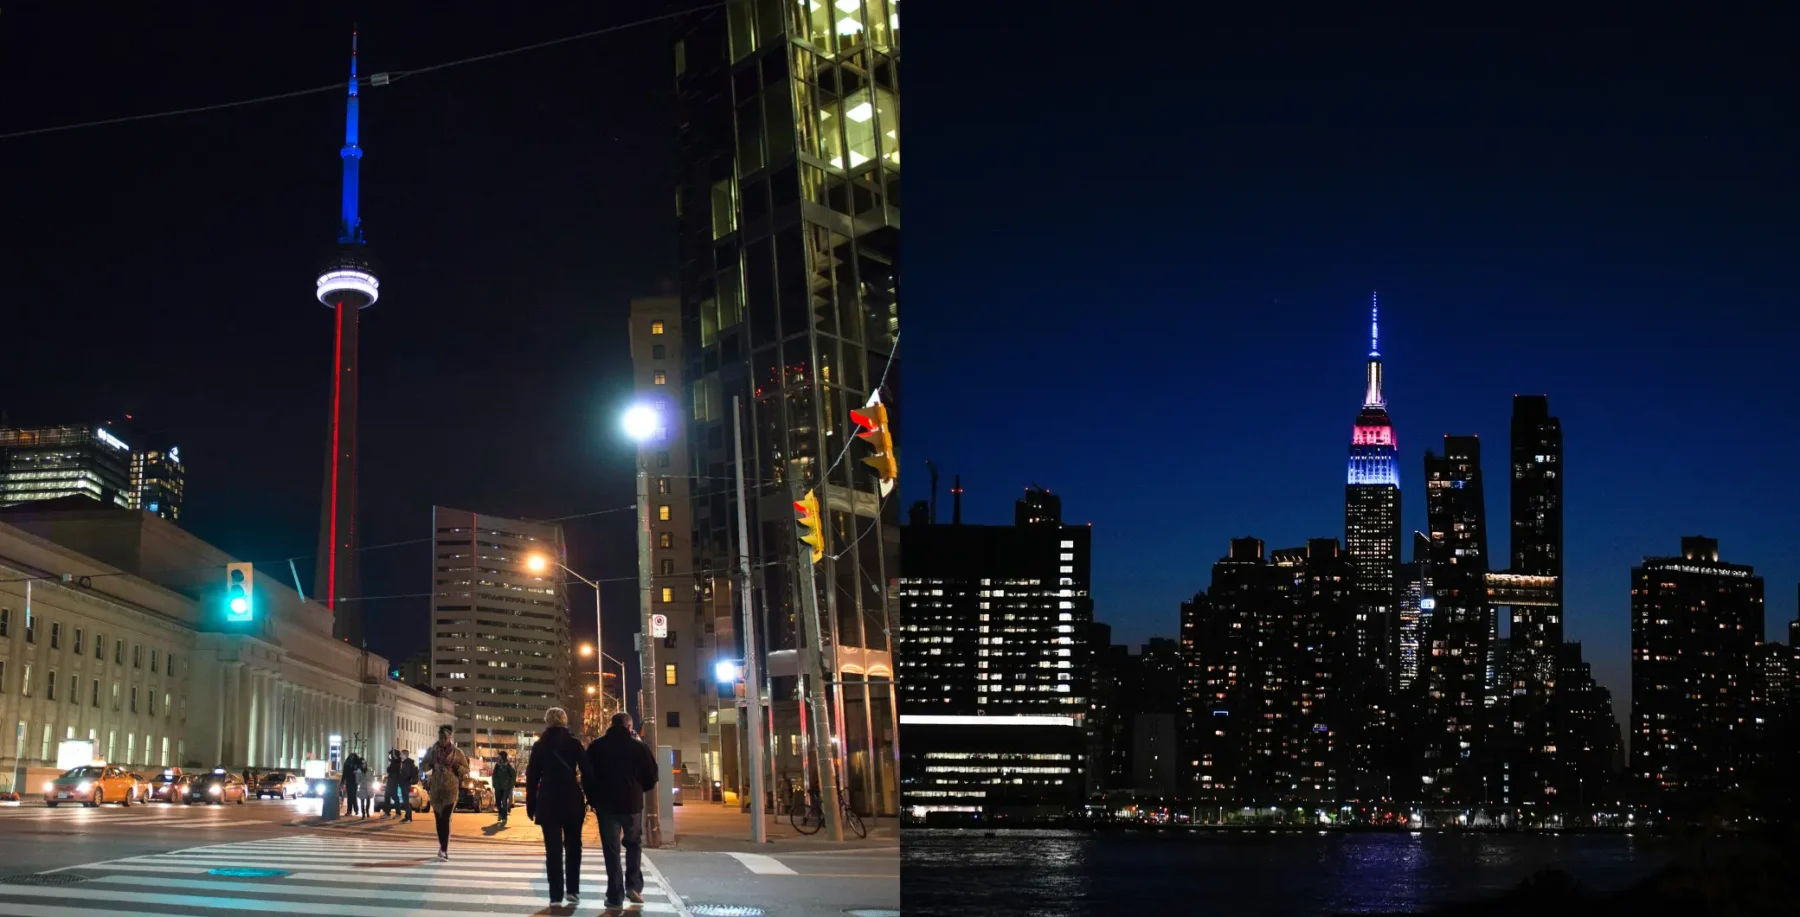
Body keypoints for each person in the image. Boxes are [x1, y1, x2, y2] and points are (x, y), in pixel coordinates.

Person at [584, 712, 659, 908]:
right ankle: (633, 886)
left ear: (611, 725)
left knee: (611, 850)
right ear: (629, 726)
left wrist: (593, 799)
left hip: (606, 805)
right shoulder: (639, 747)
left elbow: (587, 776)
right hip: (632, 804)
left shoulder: (597, 747)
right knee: (633, 844)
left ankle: (615, 895)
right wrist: (638, 789)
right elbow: (652, 775)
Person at [526, 707, 590, 907]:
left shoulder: (540, 746)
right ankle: (572, 890)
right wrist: (590, 798)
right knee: (573, 847)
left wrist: (531, 805)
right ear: (564, 721)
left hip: (548, 800)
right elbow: (587, 771)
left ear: (547, 722)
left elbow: (531, 777)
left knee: (552, 850)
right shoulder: (574, 744)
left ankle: (555, 895)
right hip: (571, 799)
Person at [420, 727, 468, 861]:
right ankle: (441, 846)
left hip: (451, 789)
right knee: (438, 819)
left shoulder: (457, 753)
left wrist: (457, 767)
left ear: (450, 738)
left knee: (446, 818)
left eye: (445, 738)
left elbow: (466, 769)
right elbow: (422, 766)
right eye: (440, 738)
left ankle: (445, 849)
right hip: (436, 789)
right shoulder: (432, 752)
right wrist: (429, 765)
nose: (442, 741)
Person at [491, 750, 517, 824]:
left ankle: (504, 817)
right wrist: (495, 784)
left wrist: (510, 784)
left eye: (500, 756)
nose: (498, 758)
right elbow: (494, 775)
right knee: (498, 802)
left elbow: (513, 774)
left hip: (505, 788)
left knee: (504, 802)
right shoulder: (497, 766)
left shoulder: (508, 766)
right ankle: (500, 813)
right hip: (498, 787)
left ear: (503, 757)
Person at [397, 750, 419, 823]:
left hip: (405, 784)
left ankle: (408, 818)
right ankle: (407, 817)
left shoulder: (407, 763)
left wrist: (401, 779)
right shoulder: (406, 763)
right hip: (405, 784)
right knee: (405, 801)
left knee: (406, 802)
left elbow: (406, 774)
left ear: (405, 755)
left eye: (401, 754)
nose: (400, 755)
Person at [340, 751, 363, 818]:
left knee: (353, 796)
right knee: (350, 796)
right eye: (351, 757)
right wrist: (342, 781)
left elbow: (361, 769)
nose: (351, 758)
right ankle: (350, 810)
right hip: (349, 782)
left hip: (354, 782)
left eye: (353, 757)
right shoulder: (347, 764)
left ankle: (355, 810)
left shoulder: (356, 764)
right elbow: (344, 774)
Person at [383, 749, 403, 818]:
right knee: (388, 796)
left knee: (393, 797)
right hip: (391, 781)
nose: (390, 756)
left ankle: (397, 813)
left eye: (391, 755)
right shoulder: (395, 762)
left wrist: (388, 768)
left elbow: (390, 769)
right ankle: (388, 812)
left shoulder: (396, 762)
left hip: (393, 782)